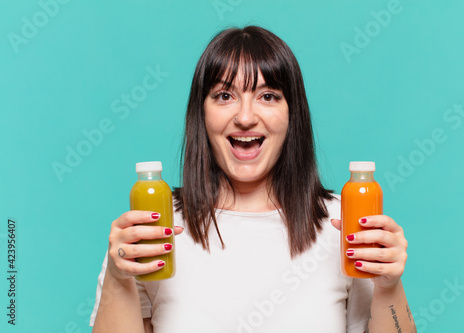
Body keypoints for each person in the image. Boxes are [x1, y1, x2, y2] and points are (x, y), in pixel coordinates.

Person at [90, 26, 415, 333]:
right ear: (201, 114)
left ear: (292, 114)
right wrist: (119, 278)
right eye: (224, 95)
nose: (245, 117)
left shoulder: (345, 224)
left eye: (269, 96)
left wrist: (389, 284)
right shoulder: (152, 229)